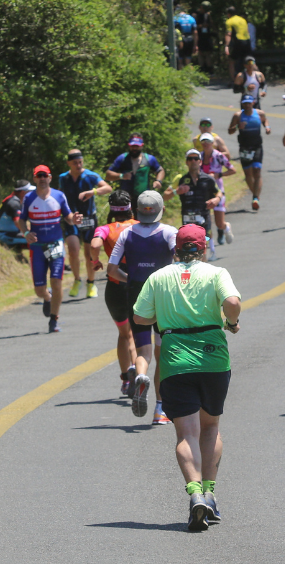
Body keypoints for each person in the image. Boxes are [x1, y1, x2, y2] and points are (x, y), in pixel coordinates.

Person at [132, 224, 242, 531]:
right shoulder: (216, 273)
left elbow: (140, 316)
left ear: (175, 249)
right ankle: (210, 493)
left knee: (186, 434)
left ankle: (194, 495)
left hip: (175, 359)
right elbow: (232, 304)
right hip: (213, 358)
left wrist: (164, 313)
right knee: (211, 427)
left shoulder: (159, 276)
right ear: (203, 248)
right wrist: (230, 322)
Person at [107, 191, 178, 425]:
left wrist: (132, 279)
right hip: (164, 296)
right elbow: (179, 260)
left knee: (143, 350)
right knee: (162, 353)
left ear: (137, 210)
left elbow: (111, 270)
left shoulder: (127, 233)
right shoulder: (169, 232)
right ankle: (160, 410)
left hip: (137, 294)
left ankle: (140, 376)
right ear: (161, 210)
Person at [21, 164, 83, 333]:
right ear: (35, 179)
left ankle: (54, 320)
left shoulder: (59, 196)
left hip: (55, 244)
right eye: (38, 176)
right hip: (37, 247)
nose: (42, 179)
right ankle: (47, 298)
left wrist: (74, 219)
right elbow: (21, 220)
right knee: (39, 289)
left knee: (57, 281)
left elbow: (68, 217)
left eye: (45, 175)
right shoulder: (28, 198)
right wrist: (26, 232)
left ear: (50, 178)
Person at [90, 190, 140, 397]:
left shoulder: (105, 228)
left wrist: (95, 261)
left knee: (124, 333)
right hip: (138, 284)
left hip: (115, 286)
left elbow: (94, 244)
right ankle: (138, 371)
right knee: (138, 333)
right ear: (130, 207)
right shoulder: (140, 225)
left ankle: (125, 379)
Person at [56, 149, 112, 298]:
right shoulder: (63, 178)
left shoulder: (91, 175)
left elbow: (107, 188)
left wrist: (92, 192)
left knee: (89, 253)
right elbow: (60, 194)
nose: (78, 165)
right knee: (73, 250)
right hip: (71, 218)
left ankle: (91, 283)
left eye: (80, 162)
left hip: (88, 218)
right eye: (75, 163)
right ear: (69, 163)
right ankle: (76, 280)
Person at [167, 149, 222, 261]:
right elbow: (165, 196)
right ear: (186, 162)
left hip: (203, 218)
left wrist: (217, 199)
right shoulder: (181, 179)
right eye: (190, 159)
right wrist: (176, 191)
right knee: (189, 250)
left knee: (202, 249)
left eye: (196, 158)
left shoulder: (208, 179)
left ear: (200, 162)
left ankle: (203, 274)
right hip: (187, 220)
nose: (193, 161)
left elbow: (219, 192)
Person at [227, 94, 270, 211]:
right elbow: (229, 131)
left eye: (248, 103)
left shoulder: (260, 113)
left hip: (257, 146)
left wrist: (267, 127)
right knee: (248, 174)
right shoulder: (238, 115)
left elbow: (265, 120)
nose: (247, 105)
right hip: (244, 147)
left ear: (253, 103)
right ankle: (255, 194)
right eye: (244, 103)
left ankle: (255, 197)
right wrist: (237, 127)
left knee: (257, 170)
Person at [105, 133, 165, 214]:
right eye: (132, 146)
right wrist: (122, 176)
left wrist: (158, 181)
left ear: (142, 145)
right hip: (125, 200)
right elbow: (108, 175)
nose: (134, 149)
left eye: (137, 146)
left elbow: (160, 170)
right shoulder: (122, 158)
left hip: (144, 199)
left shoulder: (149, 159)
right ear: (129, 145)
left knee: (144, 223)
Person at [198, 133, 236, 247]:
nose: (205, 144)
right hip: (203, 193)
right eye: (203, 141)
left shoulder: (219, 156)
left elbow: (232, 170)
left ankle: (225, 227)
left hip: (217, 192)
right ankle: (209, 244)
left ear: (213, 143)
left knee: (219, 223)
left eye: (208, 141)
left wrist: (219, 175)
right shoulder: (198, 157)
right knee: (204, 222)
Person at [0, 179, 34, 250]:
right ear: (23, 192)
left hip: (10, 234)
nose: (32, 193)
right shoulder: (14, 203)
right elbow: (18, 223)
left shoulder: (16, 200)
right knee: (37, 240)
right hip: (5, 236)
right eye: (29, 191)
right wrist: (29, 234)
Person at [222, 6, 249, 78]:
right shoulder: (243, 20)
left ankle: (233, 81)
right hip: (247, 42)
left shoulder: (229, 21)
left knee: (231, 61)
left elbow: (228, 34)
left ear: (228, 14)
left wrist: (226, 46)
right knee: (249, 60)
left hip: (238, 42)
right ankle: (258, 79)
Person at [195, 2, 215, 73]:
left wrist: (207, 25)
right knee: (200, 53)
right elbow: (195, 26)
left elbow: (212, 25)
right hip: (200, 36)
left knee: (207, 54)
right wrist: (201, 26)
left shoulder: (208, 15)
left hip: (207, 36)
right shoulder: (198, 15)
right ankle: (202, 68)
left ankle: (209, 69)